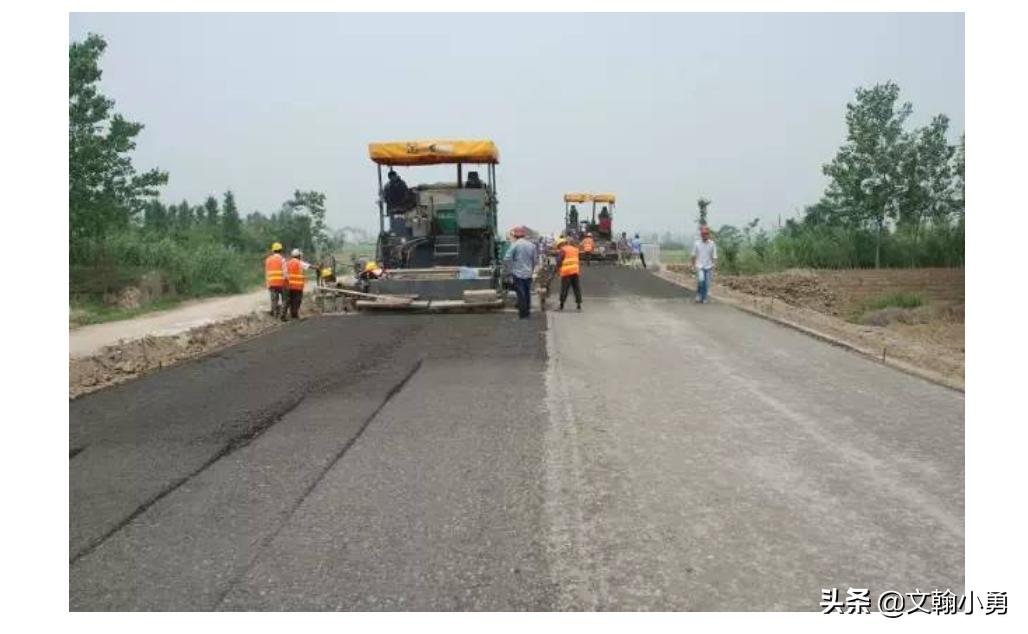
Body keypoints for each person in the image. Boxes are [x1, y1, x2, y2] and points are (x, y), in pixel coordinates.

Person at [504, 226, 538, 319]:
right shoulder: (531, 245)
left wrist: (509, 270)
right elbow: (535, 260)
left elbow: (507, 258)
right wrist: (531, 269)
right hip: (528, 273)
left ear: (515, 235)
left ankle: (522, 315)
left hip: (518, 273)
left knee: (521, 294)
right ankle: (527, 313)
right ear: (524, 235)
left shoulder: (515, 245)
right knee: (527, 293)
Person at [284, 248, 315, 320]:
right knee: (297, 301)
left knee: (291, 301)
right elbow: (309, 266)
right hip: (297, 286)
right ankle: (295, 315)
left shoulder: (288, 263)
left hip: (289, 286)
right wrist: (318, 268)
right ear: (298, 256)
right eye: (300, 255)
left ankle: (292, 314)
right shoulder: (299, 262)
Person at [691, 225, 718, 303]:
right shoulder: (697, 244)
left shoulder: (712, 244)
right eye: (703, 234)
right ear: (701, 235)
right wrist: (693, 266)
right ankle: (699, 295)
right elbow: (693, 255)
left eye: (706, 234)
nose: (704, 235)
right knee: (701, 281)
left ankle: (704, 297)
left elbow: (714, 255)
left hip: (709, 266)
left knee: (706, 283)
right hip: (699, 266)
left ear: (708, 234)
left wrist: (714, 264)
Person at [555, 237, 582, 311]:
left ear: (562, 244)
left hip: (567, 272)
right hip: (575, 271)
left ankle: (561, 305)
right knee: (576, 288)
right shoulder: (575, 249)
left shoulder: (563, 250)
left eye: (559, 246)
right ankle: (579, 305)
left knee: (564, 289)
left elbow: (559, 260)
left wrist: (557, 269)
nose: (559, 247)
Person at [264, 242, 287, 318]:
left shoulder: (268, 260)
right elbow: (285, 273)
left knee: (274, 300)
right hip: (281, 283)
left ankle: (275, 314)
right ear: (281, 250)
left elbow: (267, 273)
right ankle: (283, 314)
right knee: (284, 299)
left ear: (273, 250)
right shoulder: (282, 259)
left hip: (272, 283)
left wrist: (268, 284)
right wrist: (287, 282)